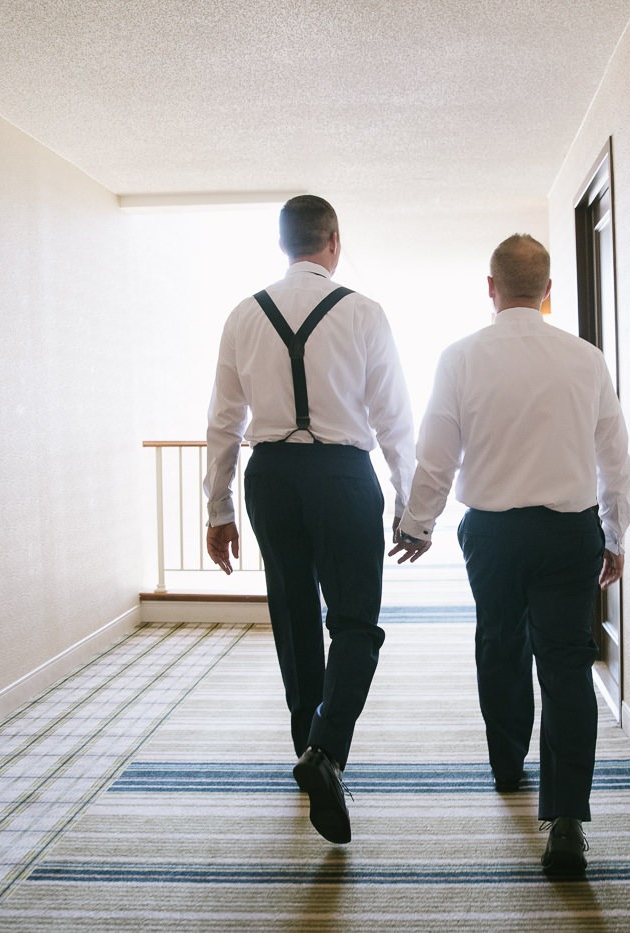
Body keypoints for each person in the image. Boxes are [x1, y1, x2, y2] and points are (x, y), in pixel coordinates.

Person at [390, 233, 630, 876]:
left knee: (499, 642)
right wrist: (615, 532)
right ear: (548, 292)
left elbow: (435, 454)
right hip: (568, 534)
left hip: (493, 534)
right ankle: (568, 821)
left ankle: (506, 765)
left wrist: (417, 525)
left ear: (491, 289)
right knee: (565, 661)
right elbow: (614, 456)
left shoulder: (460, 357)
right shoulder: (585, 360)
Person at [204, 195, 415, 845]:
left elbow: (221, 422)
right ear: (334, 241)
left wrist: (218, 508)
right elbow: (394, 420)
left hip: (270, 476)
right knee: (355, 622)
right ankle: (325, 752)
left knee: (295, 617)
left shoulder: (244, 314)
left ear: (284, 243)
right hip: (345, 477)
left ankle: (309, 749)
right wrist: (412, 506)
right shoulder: (364, 312)